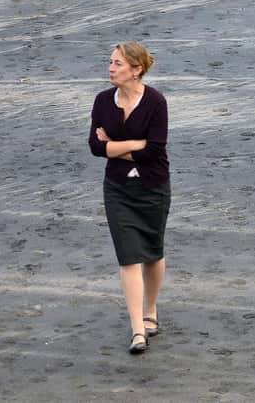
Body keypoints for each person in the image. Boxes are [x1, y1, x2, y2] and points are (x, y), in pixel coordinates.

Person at [88, 41, 170, 354]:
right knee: (128, 256)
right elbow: (96, 148)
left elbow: (154, 151)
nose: (111, 68)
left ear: (136, 70)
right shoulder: (102, 101)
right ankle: (138, 329)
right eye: (110, 62)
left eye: (118, 64)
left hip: (153, 187)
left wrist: (116, 145)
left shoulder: (156, 102)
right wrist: (134, 144)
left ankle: (150, 310)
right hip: (118, 189)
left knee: (152, 252)